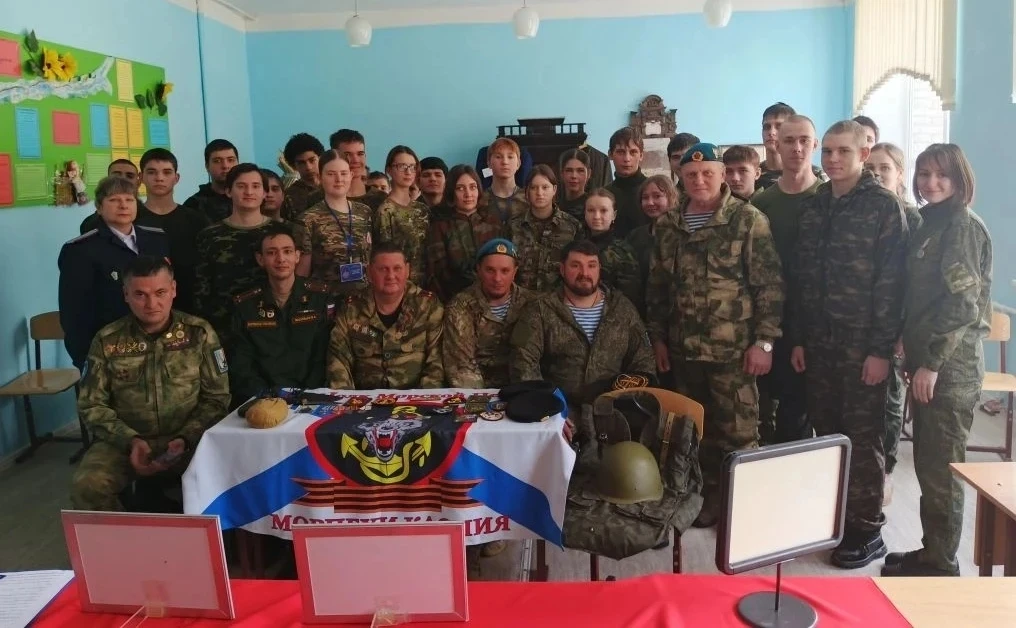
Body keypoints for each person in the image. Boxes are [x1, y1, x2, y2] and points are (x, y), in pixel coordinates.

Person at [789, 120, 908, 569]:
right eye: (829, 151)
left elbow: (892, 284)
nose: (834, 159)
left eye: (843, 151)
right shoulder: (816, 204)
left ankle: (865, 529)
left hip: (863, 347)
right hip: (820, 344)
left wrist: (880, 351)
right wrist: (800, 339)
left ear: (863, 153)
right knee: (827, 432)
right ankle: (833, 516)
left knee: (862, 438)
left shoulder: (882, 206)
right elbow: (803, 279)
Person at [646, 142, 783, 528]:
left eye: (708, 173)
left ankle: (745, 509)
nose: (699, 180)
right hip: (685, 351)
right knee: (696, 432)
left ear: (722, 175)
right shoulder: (668, 225)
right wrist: (658, 338)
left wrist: (764, 342)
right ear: (681, 177)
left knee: (739, 434)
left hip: (734, 352)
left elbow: (769, 286)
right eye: (691, 175)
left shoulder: (747, 219)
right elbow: (657, 289)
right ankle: (709, 500)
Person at [881, 144, 992, 578]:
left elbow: (963, 305)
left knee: (941, 469)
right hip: (925, 360)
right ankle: (932, 551)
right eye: (924, 174)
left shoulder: (962, 226)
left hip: (949, 369)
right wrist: (905, 339)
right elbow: (923, 294)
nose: (931, 183)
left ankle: (942, 564)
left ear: (960, 179)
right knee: (928, 464)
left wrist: (931, 364)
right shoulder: (930, 222)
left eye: (941, 175)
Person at [70, 256, 230, 511]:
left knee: (229, 475)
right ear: (126, 295)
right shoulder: (107, 340)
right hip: (125, 442)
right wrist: (130, 440)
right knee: (89, 486)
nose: (151, 304)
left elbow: (217, 398)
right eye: (140, 295)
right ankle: (125, 537)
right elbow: (91, 405)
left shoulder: (199, 333)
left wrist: (186, 438)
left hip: (190, 439)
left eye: (160, 292)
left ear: (173, 290)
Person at [510, 239, 655, 409]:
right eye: (575, 265)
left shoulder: (622, 309)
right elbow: (523, 363)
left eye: (591, 265)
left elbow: (644, 362)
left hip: (613, 411)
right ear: (562, 269)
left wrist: (623, 403)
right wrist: (548, 409)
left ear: (599, 269)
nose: (585, 273)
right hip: (558, 412)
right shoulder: (541, 310)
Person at [751, 115, 822, 444]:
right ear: (776, 145)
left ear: (815, 144)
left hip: (814, 325)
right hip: (769, 321)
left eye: (804, 140)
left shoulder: (829, 199)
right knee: (765, 414)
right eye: (789, 141)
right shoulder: (761, 203)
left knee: (801, 417)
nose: (797, 148)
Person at [58, 176, 170, 371]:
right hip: (110, 351)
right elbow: (74, 314)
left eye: (129, 199)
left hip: (159, 347)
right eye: (114, 200)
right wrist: (86, 359)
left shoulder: (156, 239)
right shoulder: (81, 250)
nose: (123, 205)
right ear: (99, 207)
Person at [866, 141, 922, 492]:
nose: (876, 175)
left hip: (896, 328)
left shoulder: (912, 218)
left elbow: (915, 283)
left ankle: (885, 470)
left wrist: (903, 332)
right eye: (870, 169)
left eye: (884, 168)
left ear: (900, 173)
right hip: (864, 325)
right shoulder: (864, 214)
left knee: (889, 402)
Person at [230, 223, 334, 406]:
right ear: (260, 259)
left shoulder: (320, 298)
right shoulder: (246, 305)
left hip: (312, 400)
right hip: (263, 402)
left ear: (297, 256)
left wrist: (307, 396)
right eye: (271, 253)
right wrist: (266, 398)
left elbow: (324, 356)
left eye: (287, 251)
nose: (281, 259)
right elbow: (243, 365)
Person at [327, 243, 444, 389]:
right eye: (383, 269)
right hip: (364, 399)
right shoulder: (351, 309)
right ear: (369, 273)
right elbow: (338, 360)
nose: (390, 276)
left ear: (407, 270)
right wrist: (346, 399)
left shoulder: (428, 306)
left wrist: (425, 400)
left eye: (397, 268)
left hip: (416, 398)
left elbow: (436, 365)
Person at [193, 163, 274, 343]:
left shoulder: (280, 233)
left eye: (256, 186)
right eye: (241, 186)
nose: (249, 192)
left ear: (265, 193)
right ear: (228, 191)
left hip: (272, 327)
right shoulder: (210, 236)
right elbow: (202, 290)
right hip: (225, 330)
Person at [443, 238, 536, 388]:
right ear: (479, 270)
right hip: (478, 391)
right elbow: (461, 366)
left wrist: (525, 394)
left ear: (514, 272)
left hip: (521, 388)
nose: (497, 279)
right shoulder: (461, 306)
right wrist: (481, 400)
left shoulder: (533, 304)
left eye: (505, 271)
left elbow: (533, 361)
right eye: (490, 270)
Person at [134, 148, 210, 316]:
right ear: (141, 177)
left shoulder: (196, 220)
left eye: (167, 172)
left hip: (190, 309)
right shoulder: (132, 220)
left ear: (176, 178)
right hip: (145, 310)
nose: (159, 178)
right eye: (152, 172)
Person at [295, 151, 373, 296]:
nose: (339, 179)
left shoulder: (365, 212)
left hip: (363, 299)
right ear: (320, 177)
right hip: (324, 299)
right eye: (331, 174)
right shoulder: (308, 219)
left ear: (351, 175)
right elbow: (302, 272)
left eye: (343, 173)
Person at [426, 165, 503, 302]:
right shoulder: (440, 226)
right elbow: (438, 272)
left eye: (473, 187)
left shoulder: (493, 222)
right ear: (451, 192)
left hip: (494, 298)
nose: (468, 194)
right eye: (460, 188)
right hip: (455, 300)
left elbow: (503, 263)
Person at [509, 166, 581, 292]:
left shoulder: (572, 226)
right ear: (527, 192)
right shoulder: (513, 226)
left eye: (545, 187)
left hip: (558, 299)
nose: (539, 193)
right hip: (521, 298)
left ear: (554, 190)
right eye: (533, 188)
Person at [374, 146, 430, 287]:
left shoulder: (422, 209)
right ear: (389, 170)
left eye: (412, 167)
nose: (408, 172)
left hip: (429, 284)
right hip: (400, 285)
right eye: (401, 166)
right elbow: (385, 256)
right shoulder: (386, 211)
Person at [628, 175, 680, 310]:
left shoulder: (682, 234)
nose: (650, 202)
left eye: (657, 196)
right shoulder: (636, 236)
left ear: (671, 197)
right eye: (645, 198)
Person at [583, 189, 641, 308]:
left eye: (603, 211)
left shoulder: (623, 252)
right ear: (585, 213)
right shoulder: (577, 246)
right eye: (591, 210)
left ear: (613, 215)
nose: (596, 216)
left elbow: (629, 297)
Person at [605, 127, 649, 237]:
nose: (627, 159)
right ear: (610, 154)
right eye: (621, 152)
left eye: (633, 152)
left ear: (641, 155)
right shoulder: (605, 195)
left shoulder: (653, 192)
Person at [329, 128, 387, 211]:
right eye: (347, 154)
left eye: (360, 154)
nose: (356, 160)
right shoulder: (319, 199)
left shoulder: (383, 200)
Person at [78, 160, 141, 234]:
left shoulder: (149, 218)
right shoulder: (91, 225)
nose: (122, 179)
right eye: (116, 176)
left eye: (129, 176)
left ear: (138, 182)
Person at [183, 139, 238, 222]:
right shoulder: (193, 205)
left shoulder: (249, 197)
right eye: (217, 161)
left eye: (230, 160)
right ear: (207, 166)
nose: (225, 166)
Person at [481, 137, 528, 222]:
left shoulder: (529, 199)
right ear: (489, 163)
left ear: (518, 163)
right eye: (498, 157)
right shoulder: (479, 200)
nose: (505, 162)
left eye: (510, 157)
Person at [282, 132, 324, 217]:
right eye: (301, 163)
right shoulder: (289, 197)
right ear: (293, 166)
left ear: (320, 158)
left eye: (312, 160)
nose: (308, 167)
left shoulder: (336, 186)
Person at [558, 149, 592, 222]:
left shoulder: (593, 206)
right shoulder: (553, 208)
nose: (574, 176)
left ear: (589, 174)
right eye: (569, 170)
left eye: (580, 170)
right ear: (561, 173)